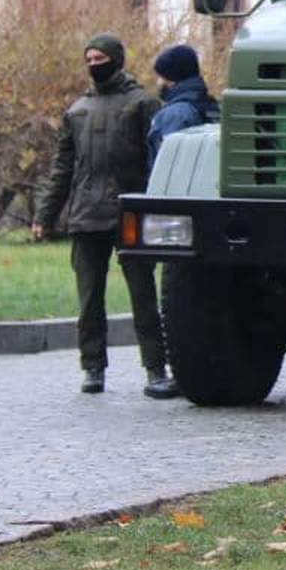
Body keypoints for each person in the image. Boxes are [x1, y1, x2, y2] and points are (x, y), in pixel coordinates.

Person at [32, 34, 176, 399]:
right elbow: (62, 168)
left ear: (116, 59)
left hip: (129, 212)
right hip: (86, 215)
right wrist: (45, 215)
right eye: (90, 59)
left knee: (142, 295)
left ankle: (155, 368)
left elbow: (157, 160)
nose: (94, 65)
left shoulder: (143, 103)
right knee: (89, 300)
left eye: (100, 58)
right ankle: (92, 368)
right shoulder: (77, 110)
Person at [149, 44, 220, 166]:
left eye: (160, 77)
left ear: (171, 79)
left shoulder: (175, 114)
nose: (158, 82)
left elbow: (168, 164)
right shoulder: (209, 105)